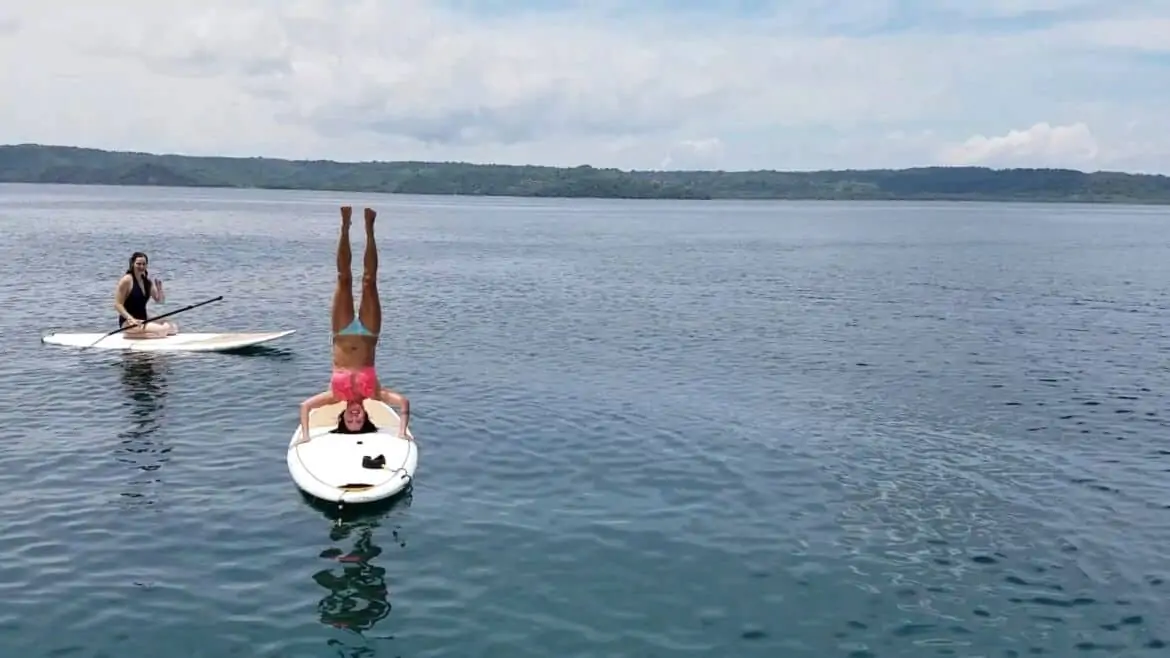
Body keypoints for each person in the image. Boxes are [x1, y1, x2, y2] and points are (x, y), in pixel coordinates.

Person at [298, 206, 411, 444]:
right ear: (366, 417)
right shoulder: (375, 394)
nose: (354, 418)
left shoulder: (334, 396)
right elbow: (403, 402)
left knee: (344, 278)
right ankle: (370, 230)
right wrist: (401, 432)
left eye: (349, 421)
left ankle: (345, 226)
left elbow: (305, 407)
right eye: (359, 422)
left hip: (342, 331)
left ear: (343, 417)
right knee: (369, 281)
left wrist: (305, 437)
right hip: (370, 333)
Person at [113, 251, 177, 339]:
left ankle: (141, 334)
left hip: (143, 318)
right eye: (138, 264)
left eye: (144, 264)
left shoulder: (147, 282)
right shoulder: (127, 280)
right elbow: (117, 304)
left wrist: (160, 289)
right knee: (162, 330)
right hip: (129, 322)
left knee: (173, 328)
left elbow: (160, 301)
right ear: (132, 264)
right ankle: (129, 334)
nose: (141, 266)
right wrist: (130, 318)